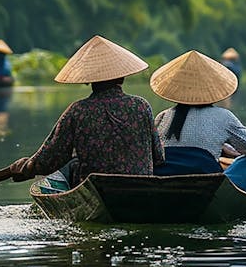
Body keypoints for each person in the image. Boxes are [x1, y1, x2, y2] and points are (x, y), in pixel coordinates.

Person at [10, 35, 164, 186]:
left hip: (97, 187)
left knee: (71, 165)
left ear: (89, 81)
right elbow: (158, 156)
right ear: (122, 77)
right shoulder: (141, 106)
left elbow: (50, 159)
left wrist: (29, 166)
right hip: (140, 185)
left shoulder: (78, 111)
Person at [151, 50, 246, 194]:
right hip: (206, 190)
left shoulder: (163, 116)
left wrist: (222, 149)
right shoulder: (224, 116)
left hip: (164, 185)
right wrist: (236, 154)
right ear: (212, 89)